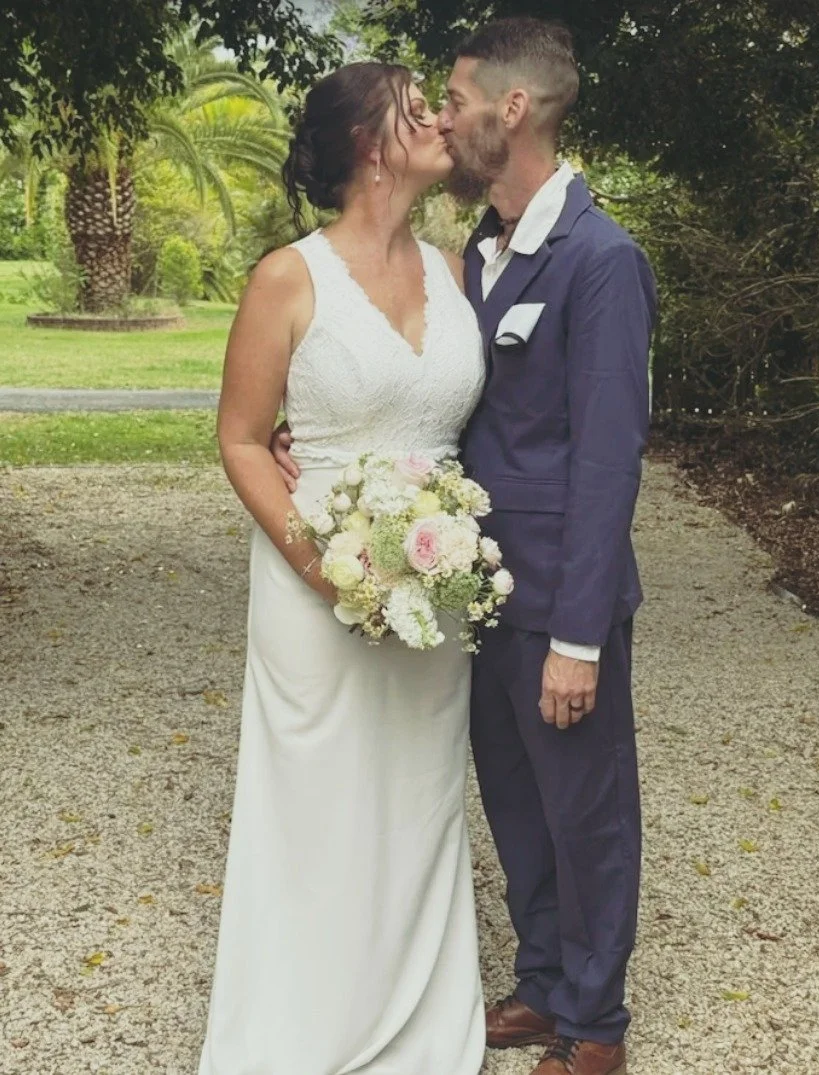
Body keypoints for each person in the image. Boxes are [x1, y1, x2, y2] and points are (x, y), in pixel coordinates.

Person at [275, 17, 656, 1075]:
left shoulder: (599, 259)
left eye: (452, 99)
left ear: (511, 110)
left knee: (584, 810)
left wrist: (578, 633)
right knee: (516, 803)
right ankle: (541, 982)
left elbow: (605, 460)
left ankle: (596, 1023)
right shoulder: (474, 255)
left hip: (556, 599)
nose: (439, 116)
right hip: (469, 589)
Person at [197, 63, 487, 1075]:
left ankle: (419, 1026)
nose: (441, 121)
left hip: (437, 587)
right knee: (319, 809)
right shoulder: (289, 276)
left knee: (415, 804)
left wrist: (448, 544)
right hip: (312, 586)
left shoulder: (456, 273)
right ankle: (299, 1032)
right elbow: (240, 440)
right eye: (420, 107)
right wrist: (321, 562)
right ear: (370, 142)